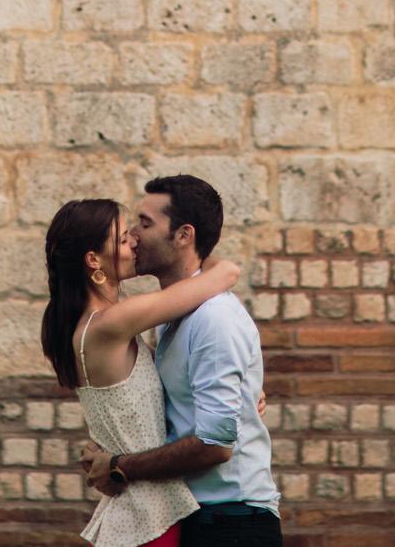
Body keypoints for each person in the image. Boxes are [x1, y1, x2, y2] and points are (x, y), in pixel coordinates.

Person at [79, 175, 281, 546]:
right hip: (195, 516)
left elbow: (214, 444)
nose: (134, 236)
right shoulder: (175, 316)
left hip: (229, 521)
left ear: (183, 235)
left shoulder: (212, 318)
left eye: (145, 223)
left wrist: (121, 466)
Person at [41, 197, 242, 547]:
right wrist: (188, 244)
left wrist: (242, 388)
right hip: (147, 517)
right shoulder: (110, 323)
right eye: (121, 239)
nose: (133, 240)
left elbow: (169, 381)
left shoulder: (96, 326)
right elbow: (227, 273)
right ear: (93, 261)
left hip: (143, 511)